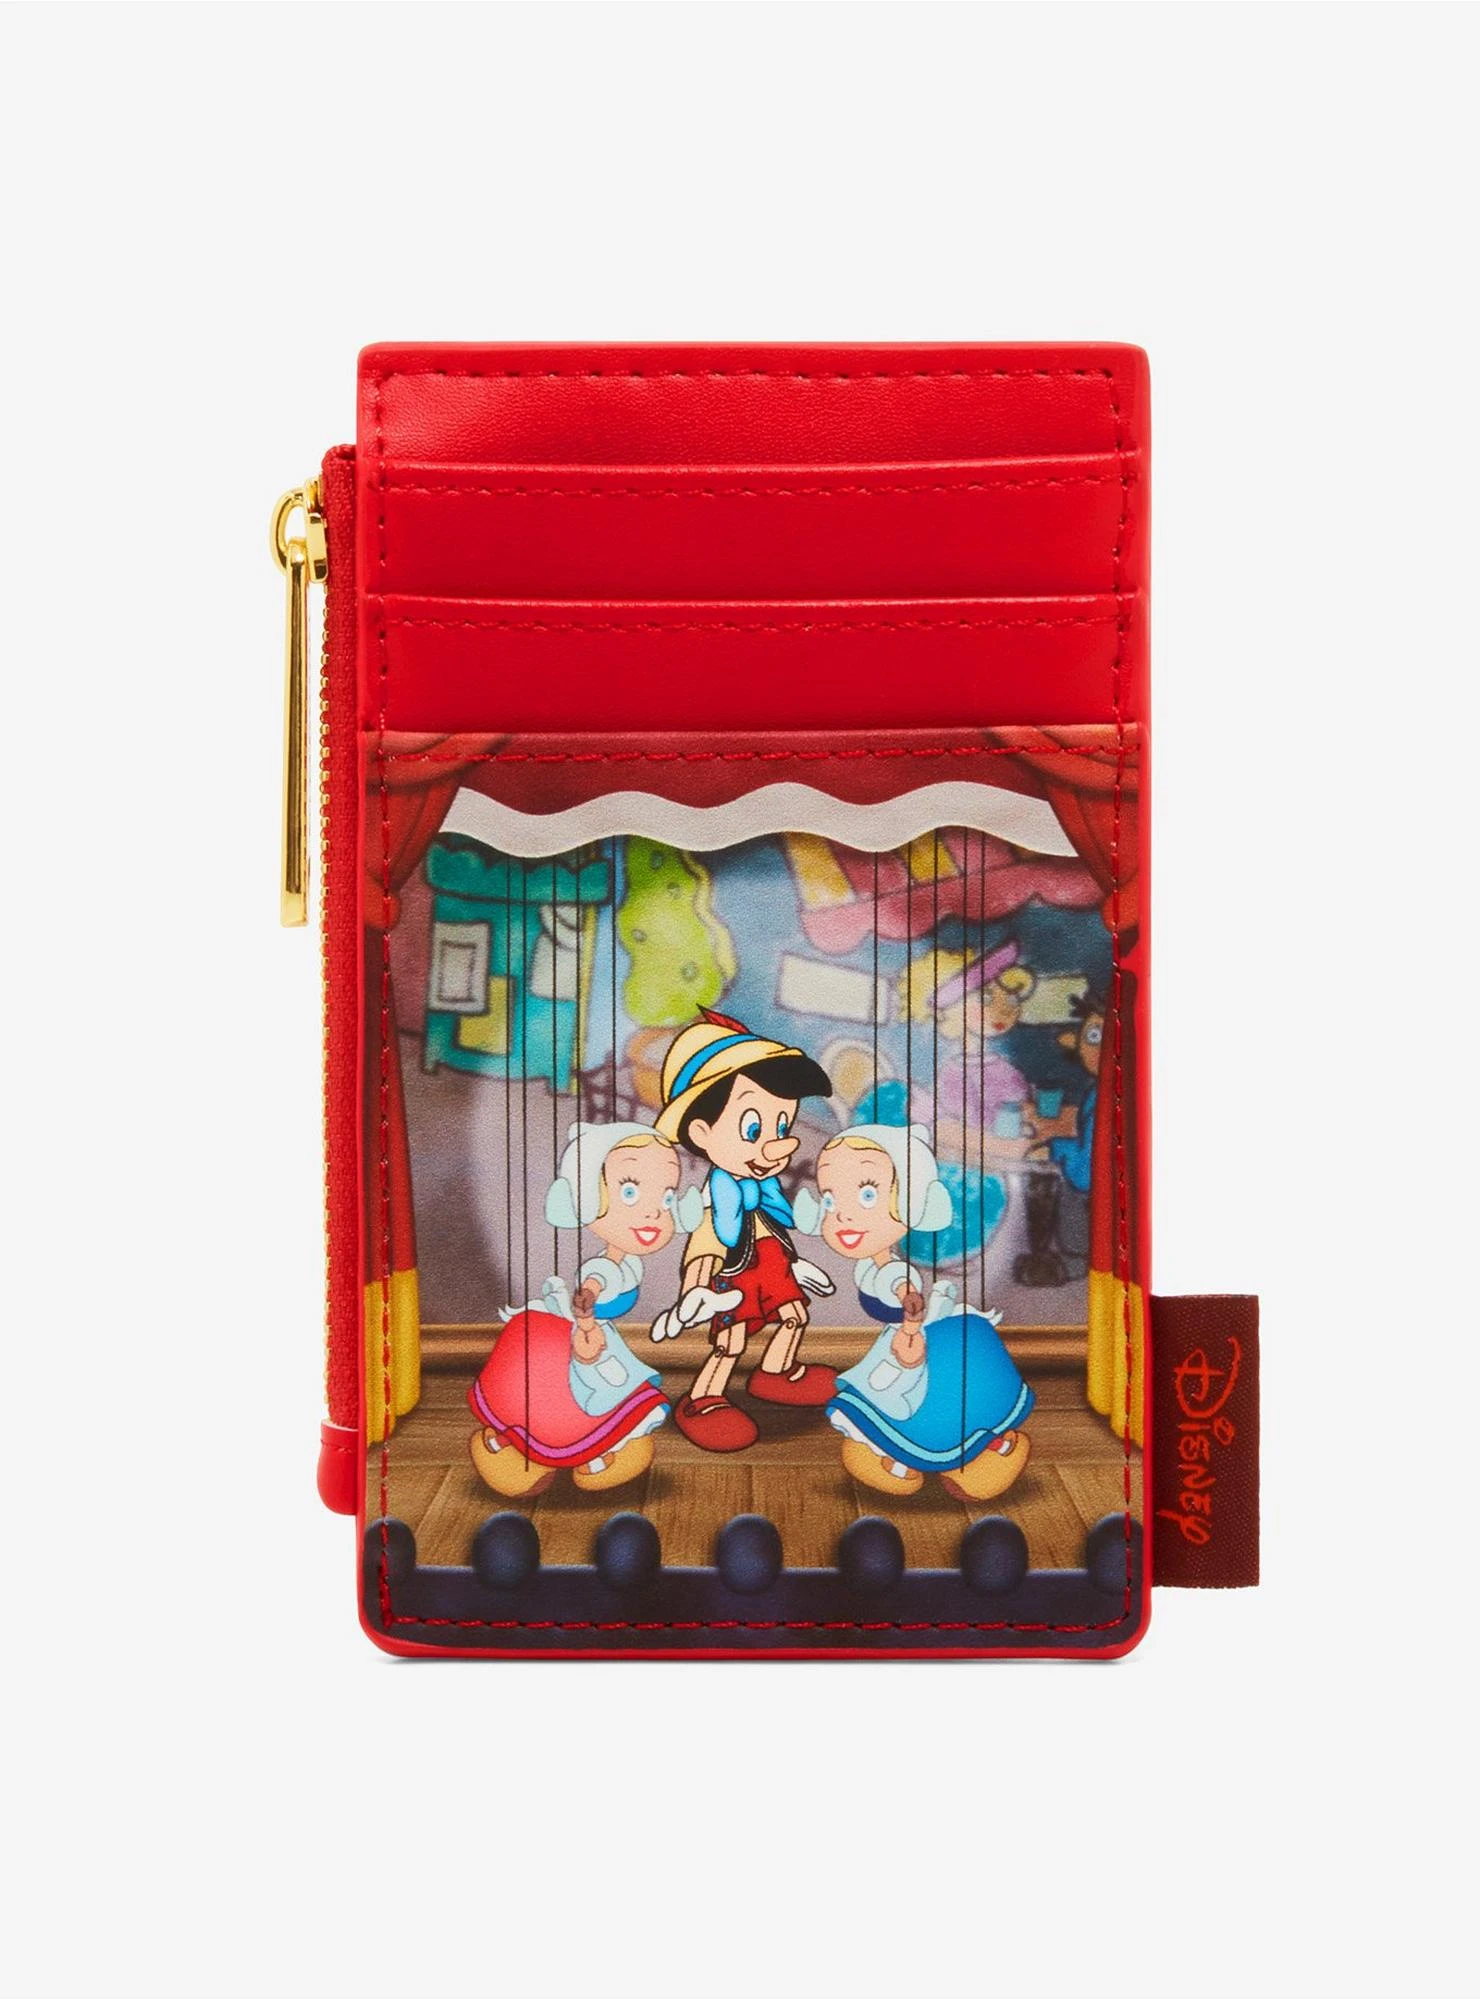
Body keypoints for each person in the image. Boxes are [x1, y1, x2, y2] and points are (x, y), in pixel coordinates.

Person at [798, 1124, 1034, 1500]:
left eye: (867, 1194)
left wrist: (909, 1331)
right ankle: (964, 1452)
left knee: (914, 1405)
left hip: (913, 1345)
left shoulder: (896, 1273)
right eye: (830, 1200)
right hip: (905, 1339)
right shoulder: (875, 1262)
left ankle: (958, 1455)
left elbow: (907, 1295)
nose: (842, 1216)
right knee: (909, 1406)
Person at [466, 1123, 690, 1496]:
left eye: (666, 1197)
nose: (654, 1211)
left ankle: (519, 1446)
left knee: (583, 1404)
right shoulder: (602, 1269)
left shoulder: (624, 1260)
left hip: (590, 1333)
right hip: (583, 1339)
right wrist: (587, 1328)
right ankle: (560, 1454)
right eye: (631, 1192)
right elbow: (590, 1291)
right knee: (584, 1402)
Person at [651, 1010, 836, 1452]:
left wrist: (797, 1267)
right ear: (702, 1132)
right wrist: (696, 1291)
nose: (777, 1143)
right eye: (753, 1129)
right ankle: (702, 1400)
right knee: (729, 1344)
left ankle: (775, 1373)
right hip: (732, 1281)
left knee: (795, 1316)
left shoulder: (764, 1194)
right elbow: (705, 1249)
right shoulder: (717, 1204)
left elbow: (771, 1233)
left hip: (772, 1269)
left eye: (782, 1126)